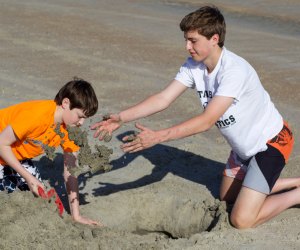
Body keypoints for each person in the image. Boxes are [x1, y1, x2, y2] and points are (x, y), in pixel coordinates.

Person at [91, 5, 297, 229]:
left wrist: (159, 136)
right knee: (226, 196)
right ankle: (287, 182)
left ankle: (296, 195)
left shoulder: (234, 70)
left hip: (270, 143)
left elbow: (207, 121)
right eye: (186, 40)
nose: (187, 47)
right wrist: (121, 117)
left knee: (241, 219)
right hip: (242, 150)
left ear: (214, 39)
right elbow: (163, 98)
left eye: (193, 40)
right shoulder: (193, 66)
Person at [0, 77, 99, 226]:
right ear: (66, 103)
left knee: (38, 194)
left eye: (85, 118)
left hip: (13, 157)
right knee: (9, 192)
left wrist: (76, 216)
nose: (81, 123)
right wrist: (28, 177)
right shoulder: (37, 115)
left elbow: (70, 172)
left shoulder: (69, 129)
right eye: (80, 116)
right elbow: (1, 143)